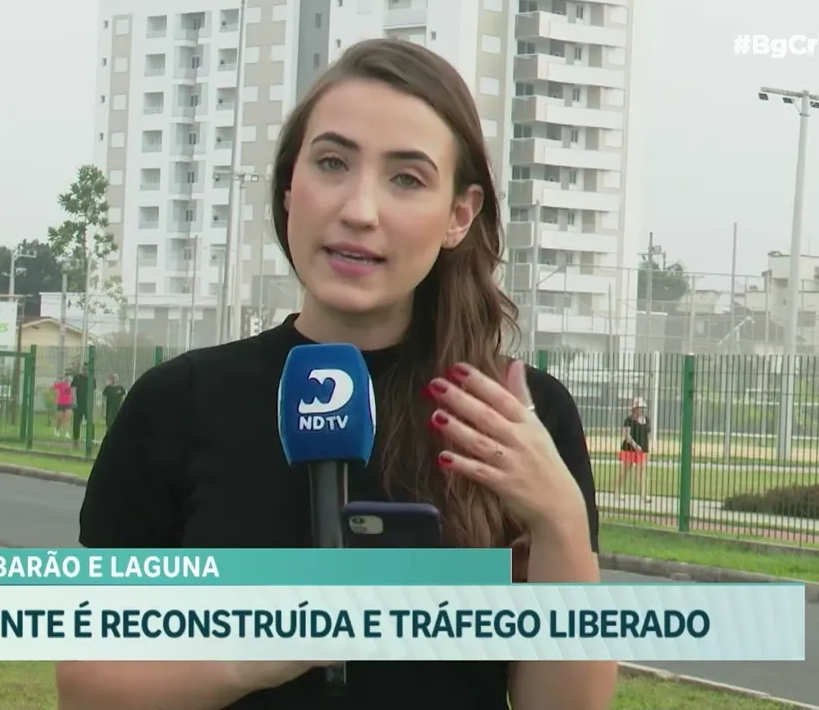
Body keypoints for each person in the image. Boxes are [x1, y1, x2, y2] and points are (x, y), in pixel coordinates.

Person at [57, 38, 615, 710]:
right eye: (331, 164)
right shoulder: (178, 404)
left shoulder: (517, 416)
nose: (359, 210)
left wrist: (558, 519)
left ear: (458, 216)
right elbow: (87, 688)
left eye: (406, 179)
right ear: (289, 186)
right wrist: (249, 655)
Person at [615, 398, 650, 504]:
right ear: (635, 408)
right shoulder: (629, 420)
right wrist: (635, 446)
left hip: (642, 450)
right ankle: (618, 492)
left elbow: (647, 435)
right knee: (624, 472)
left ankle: (644, 495)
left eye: (642, 408)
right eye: (639, 408)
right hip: (629, 449)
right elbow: (626, 435)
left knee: (642, 472)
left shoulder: (647, 420)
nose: (641, 410)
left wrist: (647, 448)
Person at [70, 368, 90, 448]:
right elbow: (73, 390)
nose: (86, 371)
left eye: (87, 369)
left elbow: (93, 391)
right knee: (77, 422)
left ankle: (90, 440)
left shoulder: (91, 378)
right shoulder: (77, 378)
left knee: (90, 422)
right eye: (85, 369)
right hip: (78, 403)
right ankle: (75, 440)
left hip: (87, 404)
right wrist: (74, 402)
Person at [50, 374, 73, 439]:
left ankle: (67, 433)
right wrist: (54, 397)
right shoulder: (60, 384)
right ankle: (57, 430)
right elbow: (51, 388)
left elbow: (73, 393)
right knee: (60, 418)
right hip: (61, 403)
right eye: (66, 378)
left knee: (67, 418)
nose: (67, 379)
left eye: (68, 378)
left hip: (68, 404)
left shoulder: (72, 385)